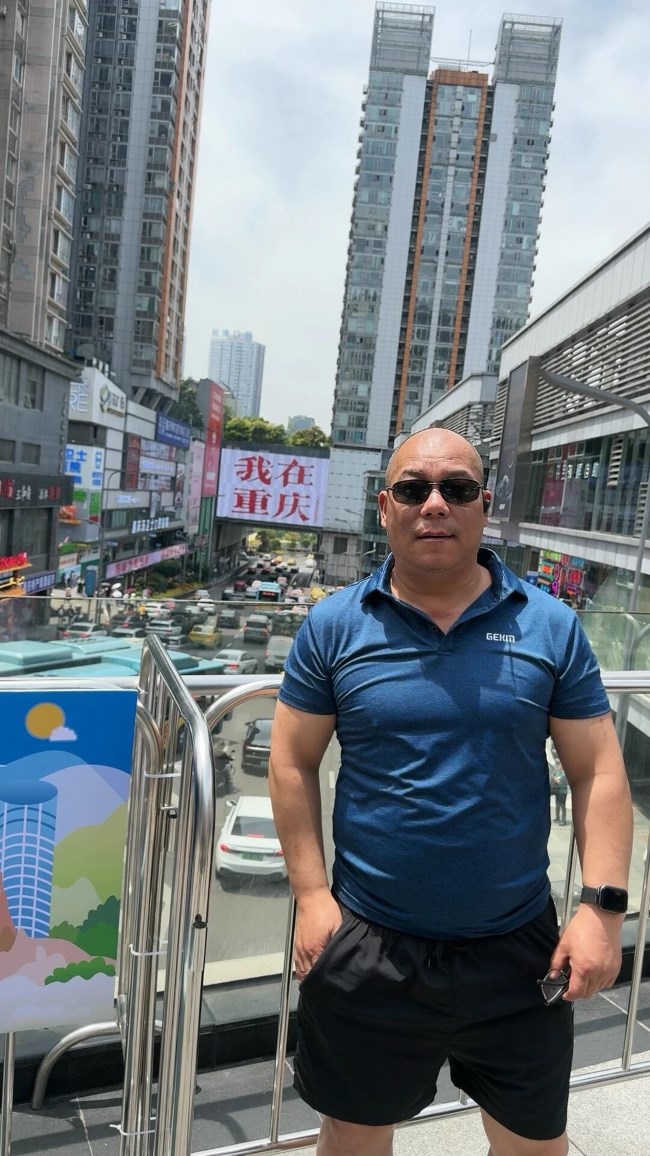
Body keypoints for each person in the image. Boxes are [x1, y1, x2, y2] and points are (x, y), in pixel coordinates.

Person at [269, 428, 632, 1156]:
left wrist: (602, 910)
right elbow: (290, 760)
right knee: (353, 1137)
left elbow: (598, 769)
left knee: (535, 1144)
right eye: (414, 489)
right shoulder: (334, 625)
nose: (435, 504)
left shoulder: (549, 626)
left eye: (457, 489)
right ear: (385, 507)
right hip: (369, 943)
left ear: (484, 506)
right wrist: (311, 896)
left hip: (518, 948)